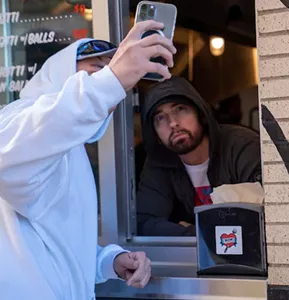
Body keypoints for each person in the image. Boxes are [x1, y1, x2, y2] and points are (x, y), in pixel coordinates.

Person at [0, 20, 176, 300]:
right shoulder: (19, 118)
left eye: (116, 81)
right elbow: (7, 164)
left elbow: (59, 246)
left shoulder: (69, 150)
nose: (111, 91)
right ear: (61, 75)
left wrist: (110, 261)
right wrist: (111, 81)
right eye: (96, 73)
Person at [136, 77, 262, 236]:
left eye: (180, 109)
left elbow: (265, 214)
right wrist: (196, 233)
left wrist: (186, 229)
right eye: (160, 118)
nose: (173, 123)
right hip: (190, 259)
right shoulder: (159, 162)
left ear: (200, 113)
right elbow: (146, 223)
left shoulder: (241, 146)